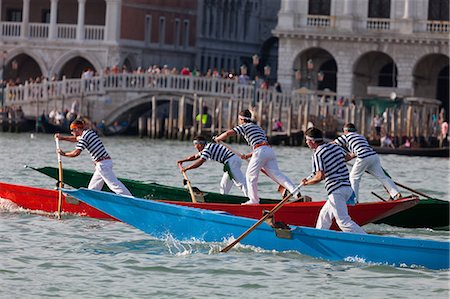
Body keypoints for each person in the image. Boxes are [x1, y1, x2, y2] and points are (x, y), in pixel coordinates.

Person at [214, 109, 300, 205]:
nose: (239, 121)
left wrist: (218, 138)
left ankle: (254, 201)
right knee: (277, 175)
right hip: (268, 151)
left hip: (260, 151)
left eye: (239, 119)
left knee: (250, 176)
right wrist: (248, 155)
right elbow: (261, 144)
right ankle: (295, 192)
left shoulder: (244, 126)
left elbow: (228, 133)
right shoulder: (258, 128)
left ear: (242, 119)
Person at [301, 127, 366, 234]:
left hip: (337, 190)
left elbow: (319, 176)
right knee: (324, 215)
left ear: (312, 141)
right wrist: (358, 152)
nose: (306, 143)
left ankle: (366, 239)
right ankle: (319, 236)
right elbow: (348, 157)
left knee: (343, 221)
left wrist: (306, 183)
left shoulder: (317, 154)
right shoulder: (334, 147)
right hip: (347, 189)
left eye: (307, 140)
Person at [55, 119, 132, 196]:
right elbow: (75, 139)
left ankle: (130, 199)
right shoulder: (89, 132)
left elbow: (76, 153)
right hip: (103, 163)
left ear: (77, 129)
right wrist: (62, 138)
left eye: (72, 130)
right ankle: (91, 203)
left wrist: (63, 154)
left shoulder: (84, 137)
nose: (72, 133)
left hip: (102, 164)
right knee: (92, 189)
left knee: (113, 185)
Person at [333, 123, 401, 202]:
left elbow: (334, 144)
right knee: (382, 177)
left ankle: (353, 201)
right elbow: (353, 154)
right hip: (373, 156)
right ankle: (396, 194)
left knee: (353, 178)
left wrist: (322, 148)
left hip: (363, 157)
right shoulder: (361, 137)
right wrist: (342, 160)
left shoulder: (347, 136)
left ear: (346, 131)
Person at [177, 136, 247, 196]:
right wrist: (182, 161)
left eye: (195, 144)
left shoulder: (207, 148)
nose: (194, 147)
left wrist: (186, 168)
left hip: (232, 161)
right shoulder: (206, 147)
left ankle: (253, 200)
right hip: (230, 162)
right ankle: (222, 200)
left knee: (240, 182)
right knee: (223, 186)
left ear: (200, 144)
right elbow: (195, 157)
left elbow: (200, 161)